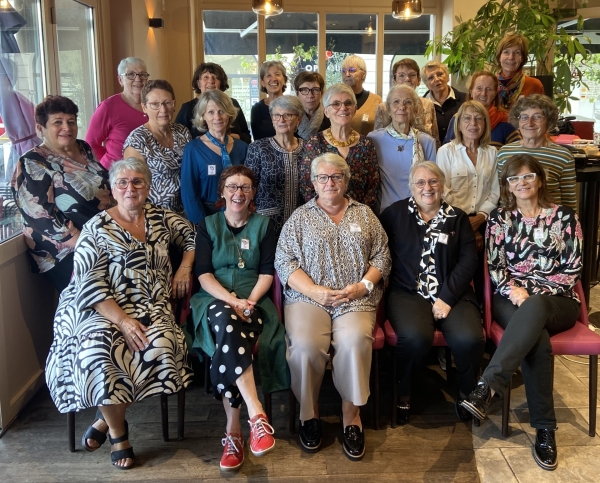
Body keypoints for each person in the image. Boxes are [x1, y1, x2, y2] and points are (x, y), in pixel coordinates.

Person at [45, 158, 195, 470]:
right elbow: (90, 284)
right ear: (113, 189)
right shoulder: (96, 228)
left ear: (148, 186)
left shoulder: (161, 218)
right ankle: (118, 433)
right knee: (99, 349)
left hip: (151, 303)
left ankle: (104, 416)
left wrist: (183, 267)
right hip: (98, 305)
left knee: (161, 343)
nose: (131, 188)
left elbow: (192, 237)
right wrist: (123, 321)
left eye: (138, 181)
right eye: (123, 182)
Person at [460, 154, 582, 472]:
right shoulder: (500, 220)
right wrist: (514, 290)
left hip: (558, 301)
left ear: (539, 180)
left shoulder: (565, 218)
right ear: (508, 185)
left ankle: (488, 384)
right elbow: (495, 266)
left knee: (536, 306)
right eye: (515, 179)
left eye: (527, 176)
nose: (522, 183)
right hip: (509, 296)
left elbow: (572, 270)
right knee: (536, 342)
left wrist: (535, 294)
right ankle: (545, 429)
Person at [275, 153, 390, 461]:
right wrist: (315, 291)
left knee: (354, 342)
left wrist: (363, 286)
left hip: (355, 299)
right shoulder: (299, 217)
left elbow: (382, 257)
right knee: (304, 346)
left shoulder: (365, 215)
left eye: (336, 176)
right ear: (313, 182)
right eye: (323, 177)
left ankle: (351, 416)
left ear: (346, 180)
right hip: (309, 299)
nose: (329, 183)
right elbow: (284, 262)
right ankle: (308, 416)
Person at [189, 165, 288, 471]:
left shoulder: (266, 226)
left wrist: (250, 302)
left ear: (253, 193)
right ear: (222, 192)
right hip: (214, 300)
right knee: (226, 321)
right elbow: (203, 275)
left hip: (254, 301)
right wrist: (232, 301)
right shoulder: (206, 225)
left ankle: (233, 434)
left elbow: (267, 272)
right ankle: (256, 413)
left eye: (245, 187)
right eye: (232, 187)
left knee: (230, 335)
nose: (238, 193)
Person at [379, 161, 484, 426]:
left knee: (469, 337)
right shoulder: (394, 214)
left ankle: (466, 391)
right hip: (407, 292)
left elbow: (468, 261)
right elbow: (378, 251)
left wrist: (447, 298)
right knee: (415, 337)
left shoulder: (457, 218)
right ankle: (403, 390)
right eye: (421, 183)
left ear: (442, 184)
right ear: (411, 187)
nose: (428, 188)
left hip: (453, 292)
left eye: (433, 181)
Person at [11, 95, 111, 292]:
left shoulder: (83, 148)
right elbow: (42, 217)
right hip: (64, 249)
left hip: (100, 236)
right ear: (41, 129)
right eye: (58, 122)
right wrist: (93, 246)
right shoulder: (32, 162)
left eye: (71, 121)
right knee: (96, 302)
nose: (67, 127)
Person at [299, 83, 380, 212]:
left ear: (355, 109)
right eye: (336, 104)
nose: (343, 108)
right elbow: (307, 186)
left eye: (348, 103)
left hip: (358, 218)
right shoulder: (314, 142)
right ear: (326, 111)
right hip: (322, 217)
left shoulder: (366, 144)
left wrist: (358, 214)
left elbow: (373, 187)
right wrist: (326, 214)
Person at [437, 100, 500, 252]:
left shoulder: (493, 153)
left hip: (484, 220)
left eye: (479, 118)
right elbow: (443, 190)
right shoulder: (446, 151)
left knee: (482, 270)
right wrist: (467, 222)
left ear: (485, 124)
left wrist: (480, 218)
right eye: (467, 118)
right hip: (453, 220)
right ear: (459, 124)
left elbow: (495, 191)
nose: (473, 123)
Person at [497, 94, 576, 210]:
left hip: (552, 223)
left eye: (537, 117)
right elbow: (503, 195)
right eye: (524, 117)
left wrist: (569, 224)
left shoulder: (563, 156)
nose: (530, 123)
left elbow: (569, 201)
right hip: (513, 222)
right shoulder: (504, 153)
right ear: (517, 121)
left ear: (548, 122)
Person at [123, 80, 191, 215]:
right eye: (155, 104)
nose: (163, 110)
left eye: (167, 103)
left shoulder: (182, 132)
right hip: (155, 216)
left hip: (188, 211)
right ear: (144, 107)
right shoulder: (137, 140)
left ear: (174, 104)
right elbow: (132, 189)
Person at [181, 89, 249, 224]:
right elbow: (189, 194)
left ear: (229, 114)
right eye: (211, 112)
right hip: (207, 216)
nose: (217, 117)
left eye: (221, 111)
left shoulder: (243, 147)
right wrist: (203, 227)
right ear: (203, 116)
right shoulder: (193, 149)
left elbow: (250, 187)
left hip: (240, 215)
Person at [368, 84, 436, 213]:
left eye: (408, 102)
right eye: (396, 102)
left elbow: (433, 182)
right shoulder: (374, 139)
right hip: (386, 212)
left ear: (415, 110)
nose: (402, 107)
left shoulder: (426, 141)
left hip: (419, 211)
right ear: (388, 109)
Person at [245, 95, 305, 233]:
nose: (281, 120)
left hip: (301, 224)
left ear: (299, 119)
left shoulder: (309, 148)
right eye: (276, 115)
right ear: (272, 119)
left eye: (287, 115)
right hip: (265, 224)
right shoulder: (258, 148)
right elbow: (248, 187)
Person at [85, 57, 149, 169]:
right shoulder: (108, 107)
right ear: (120, 80)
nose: (138, 79)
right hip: (118, 177)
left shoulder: (153, 103)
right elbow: (91, 144)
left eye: (142, 74)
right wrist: (108, 165)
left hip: (148, 175)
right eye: (130, 74)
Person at [175, 62, 251, 143]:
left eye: (216, 77)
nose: (211, 81)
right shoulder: (188, 108)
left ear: (221, 83)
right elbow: (177, 140)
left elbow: (246, 137)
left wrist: (227, 138)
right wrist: (205, 141)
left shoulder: (232, 103)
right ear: (198, 84)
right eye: (206, 77)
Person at [443, 71, 520, 149]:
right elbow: (448, 150)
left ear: (495, 94)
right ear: (471, 92)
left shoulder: (506, 121)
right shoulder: (458, 118)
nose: (483, 94)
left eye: (489, 89)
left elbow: (516, 154)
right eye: (479, 88)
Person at [374, 58, 439, 144]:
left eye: (412, 75)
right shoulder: (384, 108)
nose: (407, 79)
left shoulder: (428, 104)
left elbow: (435, 139)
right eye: (401, 75)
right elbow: (376, 141)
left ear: (418, 80)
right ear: (394, 80)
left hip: (424, 154)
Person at [496, 33, 545, 111]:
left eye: (517, 53)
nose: (511, 57)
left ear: (522, 58)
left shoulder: (534, 85)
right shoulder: (490, 84)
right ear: (499, 56)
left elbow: (539, 117)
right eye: (506, 52)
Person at [421, 60, 466, 145]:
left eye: (440, 74)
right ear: (426, 84)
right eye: (431, 78)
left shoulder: (465, 100)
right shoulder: (421, 105)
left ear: (448, 76)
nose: (437, 79)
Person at [341, 54, 382, 135]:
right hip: (340, 146)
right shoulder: (336, 100)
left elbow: (381, 131)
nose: (347, 74)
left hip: (369, 146)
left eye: (352, 70)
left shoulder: (376, 100)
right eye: (343, 71)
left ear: (363, 74)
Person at [251, 61, 287, 141]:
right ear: (262, 83)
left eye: (277, 74)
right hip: (264, 152)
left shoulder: (292, 106)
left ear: (284, 80)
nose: (273, 79)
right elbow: (257, 140)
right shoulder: (257, 109)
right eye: (268, 75)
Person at [294, 71, 330, 140]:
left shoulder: (330, 117)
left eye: (315, 90)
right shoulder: (290, 118)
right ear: (297, 93)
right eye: (304, 90)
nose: (310, 95)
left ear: (321, 93)